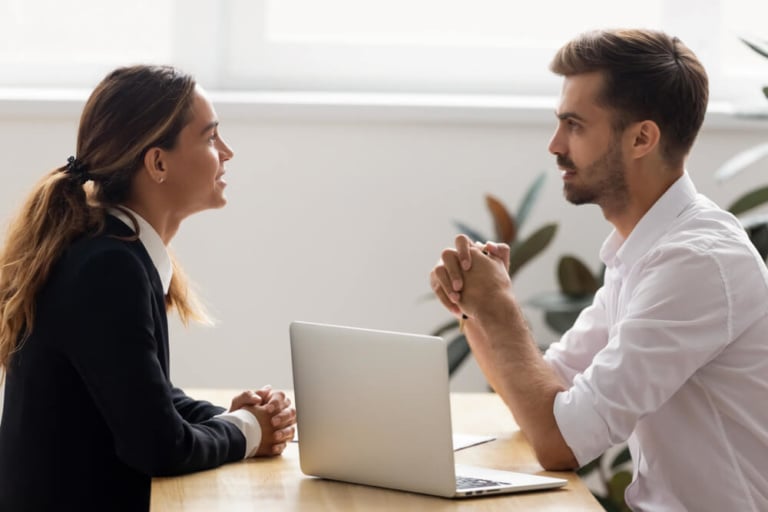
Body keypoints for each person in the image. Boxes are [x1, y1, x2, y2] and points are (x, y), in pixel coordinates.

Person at [431, 28, 768, 511]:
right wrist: (477, 307)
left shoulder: (698, 262)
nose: (554, 144)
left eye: (574, 125)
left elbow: (561, 441)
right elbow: (549, 390)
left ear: (641, 138)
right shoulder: (646, 251)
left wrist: (500, 309)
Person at [0, 65, 296, 510]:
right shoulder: (109, 269)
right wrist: (248, 431)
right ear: (157, 162)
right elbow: (160, 447)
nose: (227, 152)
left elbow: (140, 393)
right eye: (211, 138)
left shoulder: (106, 249)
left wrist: (231, 417)